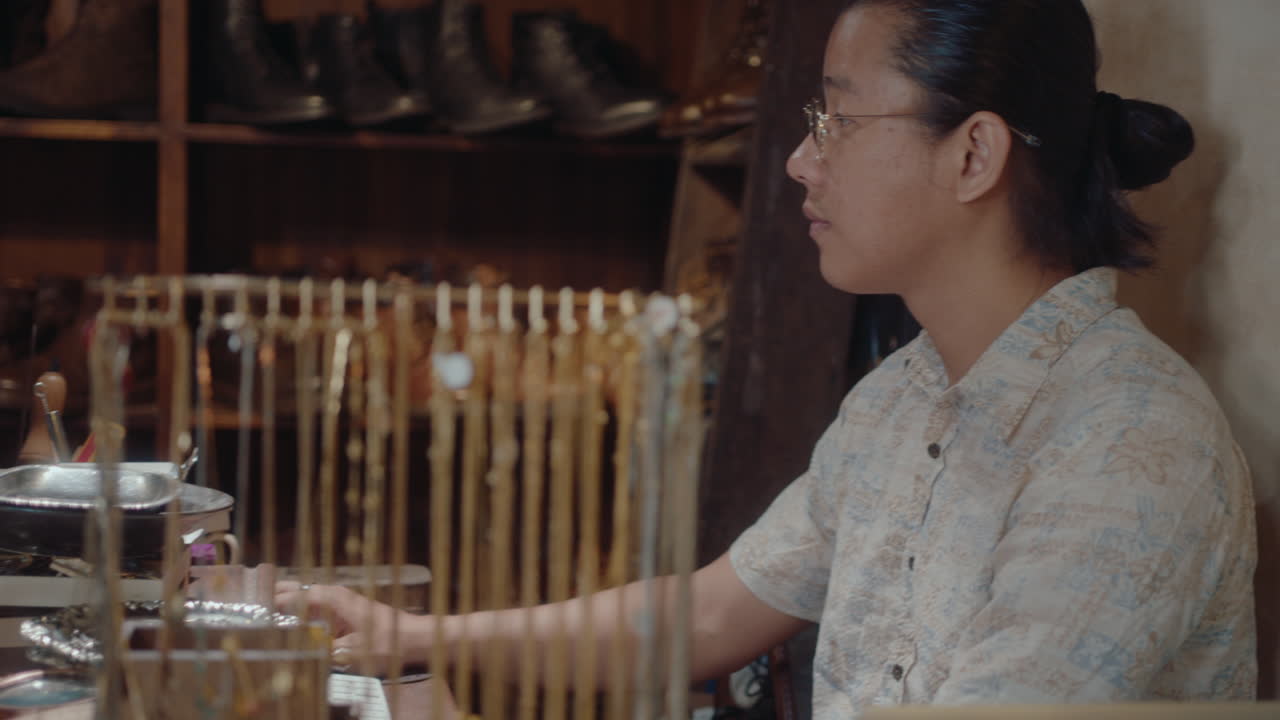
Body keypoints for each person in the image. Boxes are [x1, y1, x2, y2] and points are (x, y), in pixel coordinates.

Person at [278, 0, 1258, 714]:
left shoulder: (1128, 447)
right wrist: (412, 637)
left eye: (834, 119)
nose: (799, 161)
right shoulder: (901, 398)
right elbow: (703, 619)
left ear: (972, 155)